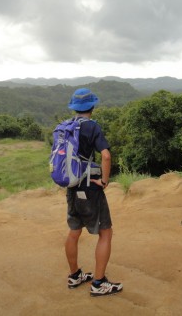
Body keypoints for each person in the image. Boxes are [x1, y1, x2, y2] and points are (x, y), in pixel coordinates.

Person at [63, 88, 123, 297]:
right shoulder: (92, 127)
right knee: (105, 232)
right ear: (92, 107)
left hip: (71, 186)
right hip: (89, 187)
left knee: (74, 231)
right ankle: (98, 283)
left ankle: (74, 275)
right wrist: (105, 181)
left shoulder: (65, 127)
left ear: (74, 108)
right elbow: (105, 156)